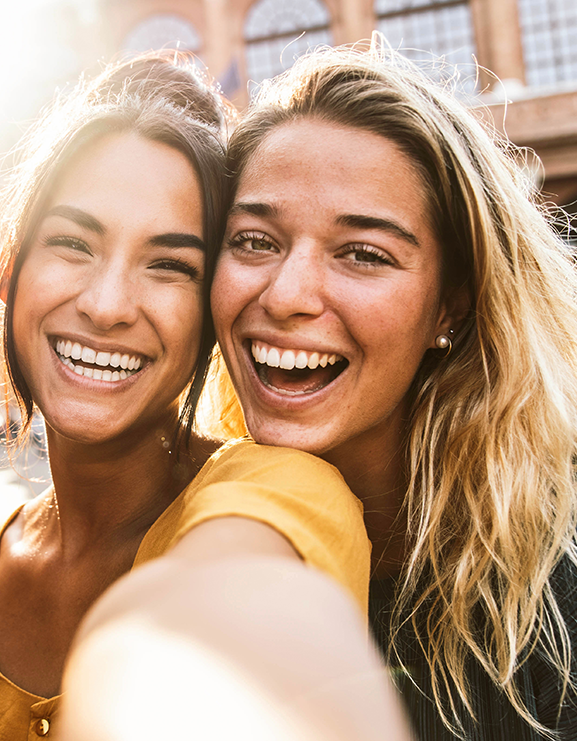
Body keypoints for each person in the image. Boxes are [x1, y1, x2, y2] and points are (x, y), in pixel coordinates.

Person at [0, 54, 408, 741]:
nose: (109, 304)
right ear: (10, 270)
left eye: (169, 265)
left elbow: (225, 631)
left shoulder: (284, 491)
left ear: (210, 314)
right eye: (72, 243)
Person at [206, 42, 577, 739]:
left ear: (452, 306)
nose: (286, 294)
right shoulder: (196, 522)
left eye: (364, 254)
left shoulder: (557, 586)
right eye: (255, 240)